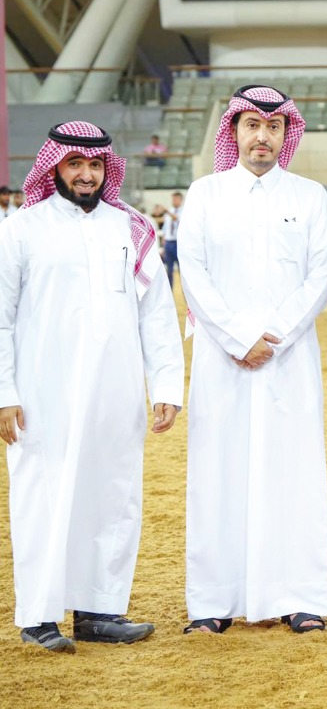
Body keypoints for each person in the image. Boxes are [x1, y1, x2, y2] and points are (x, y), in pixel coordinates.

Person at [0, 122, 183, 652]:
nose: (86, 174)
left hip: (116, 390)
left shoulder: (131, 227)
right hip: (42, 393)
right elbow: (1, 318)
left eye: (96, 165)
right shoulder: (22, 229)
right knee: (46, 498)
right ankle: (39, 616)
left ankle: (100, 610)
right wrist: (4, 393)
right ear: (54, 166)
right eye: (75, 164)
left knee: (112, 497)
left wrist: (165, 383)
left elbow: (156, 313)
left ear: (108, 169)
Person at [177, 85, 327, 635]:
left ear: (285, 133)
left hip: (288, 360)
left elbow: (321, 275)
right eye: (252, 126)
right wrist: (236, 337)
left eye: (273, 126)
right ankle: (213, 604)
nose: (262, 136)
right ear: (235, 132)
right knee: (217, 475)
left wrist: (276, 336)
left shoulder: (310, 196)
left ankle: (301, 597)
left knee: (293, 472)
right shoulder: (204, 193)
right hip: (222, 361)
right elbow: (192, 275)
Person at [158, 191, 183, 289]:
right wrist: (164, 244)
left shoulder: (184, 211)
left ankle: (187, 299)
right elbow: (165, 229)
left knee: (183, 272)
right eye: (173, 199)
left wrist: (167, 211)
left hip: (178, 243)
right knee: (169, 270)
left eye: (176, 199)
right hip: (168, 243)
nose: (174, 201)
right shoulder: (169, 213)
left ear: (180, 200)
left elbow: (177, 219)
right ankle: (170, 295)